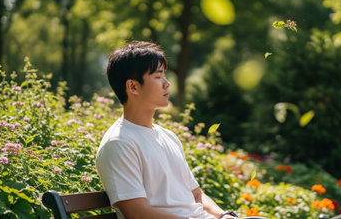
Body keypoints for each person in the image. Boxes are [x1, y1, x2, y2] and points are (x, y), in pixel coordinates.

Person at [96, 41, 238, 219]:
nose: (167, 83)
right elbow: (137, 212)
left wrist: (223, 216)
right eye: (158, 76)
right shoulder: (118, 143)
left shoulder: (167, 136)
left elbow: (196, 195)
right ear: (133, 86)